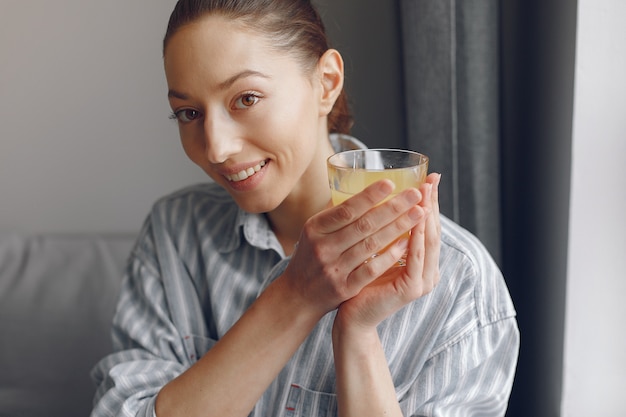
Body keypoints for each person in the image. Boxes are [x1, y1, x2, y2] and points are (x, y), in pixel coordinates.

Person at [91, 0, 519, 416]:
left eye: (246, 98)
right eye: (188, 113)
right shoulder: (176, 235)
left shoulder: (461, 285)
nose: (217, 148)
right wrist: (295, 296)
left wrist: (358, 335)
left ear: (326, 83)